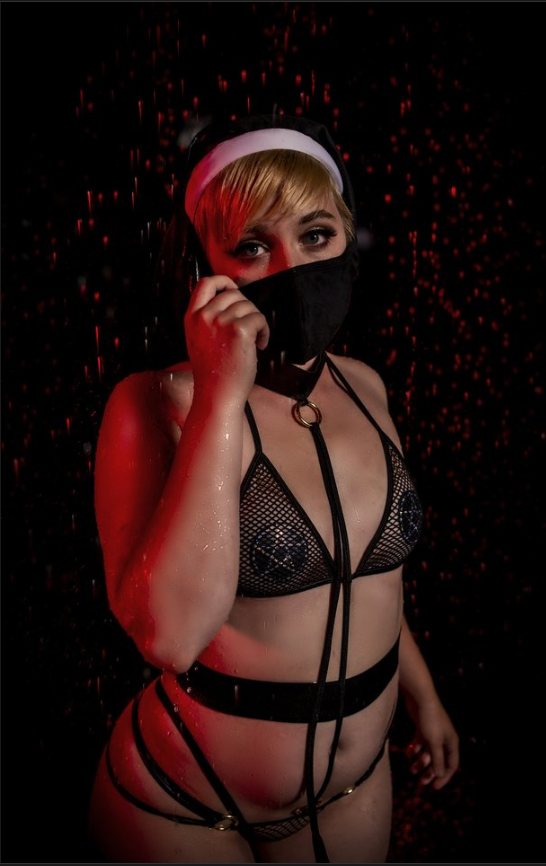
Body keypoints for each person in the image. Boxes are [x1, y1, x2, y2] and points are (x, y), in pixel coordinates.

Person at [87, 113, 460, 864]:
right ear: (206, 269)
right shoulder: (155, 404)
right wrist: (223, 395)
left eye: (316, 235)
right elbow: (170, 636)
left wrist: (423, 695)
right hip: (186, 805)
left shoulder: (366, 387)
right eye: (254, 247)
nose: (293, 265)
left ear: (347, 238)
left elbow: (369, 578)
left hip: (355, 789)